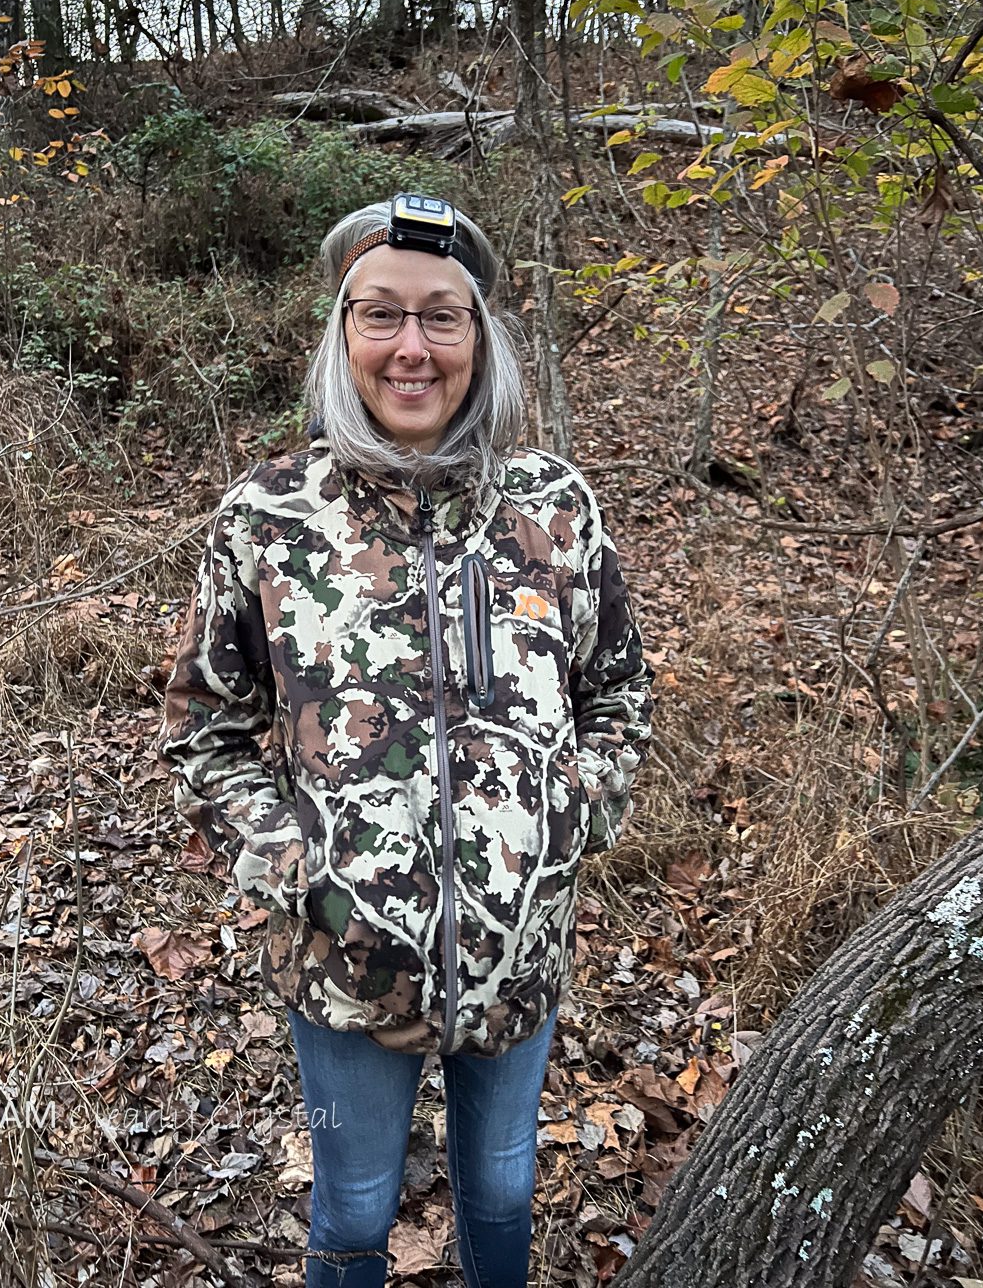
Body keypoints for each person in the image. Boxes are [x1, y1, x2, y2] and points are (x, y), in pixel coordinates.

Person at [157, 193, 653, 1288]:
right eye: (382, 315)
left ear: (482, 338)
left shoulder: (551, 507)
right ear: (343, 333)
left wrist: (569, 821)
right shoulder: (270, 514)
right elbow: (204, 722)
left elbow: (619, 693)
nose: (413, 348)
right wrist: (294, 856)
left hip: (517, 958)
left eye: (444, 316)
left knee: (505, 1191)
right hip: (341, 966)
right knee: (353, 1206)